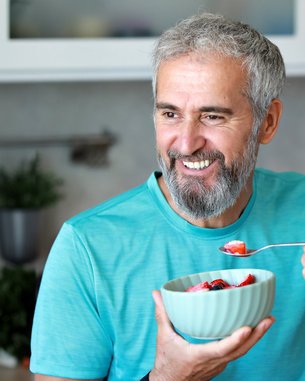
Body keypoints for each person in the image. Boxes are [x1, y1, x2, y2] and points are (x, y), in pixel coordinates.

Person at [30, 12, 305, 381]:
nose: (187, 143)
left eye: (212, 116)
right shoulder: (88, 248)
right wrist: (166, 378)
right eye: (171, 113)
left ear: (266, 122)